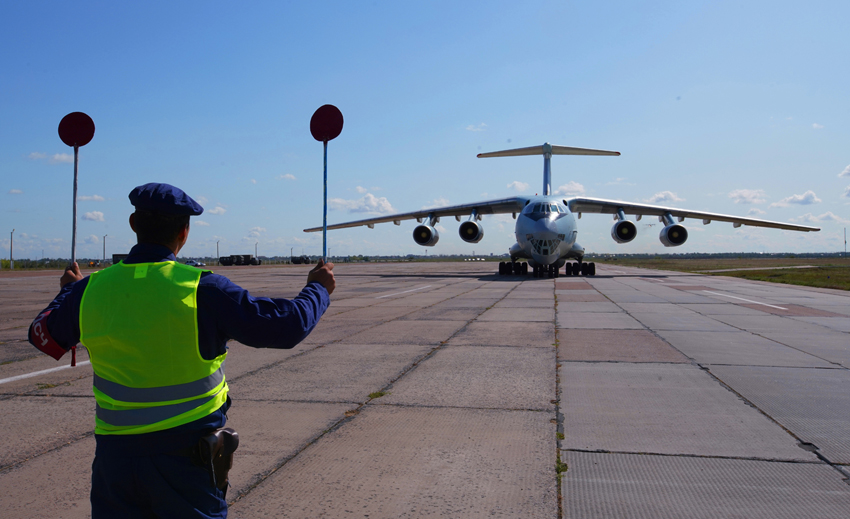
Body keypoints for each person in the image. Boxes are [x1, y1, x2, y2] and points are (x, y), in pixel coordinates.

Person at [28, 183, 335, 518]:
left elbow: (43, 336)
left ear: (133, 224)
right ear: (184, 232)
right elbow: (286, 326)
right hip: (185, 460)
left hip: (115, 463)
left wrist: (68, 292)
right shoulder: (203, 289)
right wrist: (317, 288)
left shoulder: (90, 290)